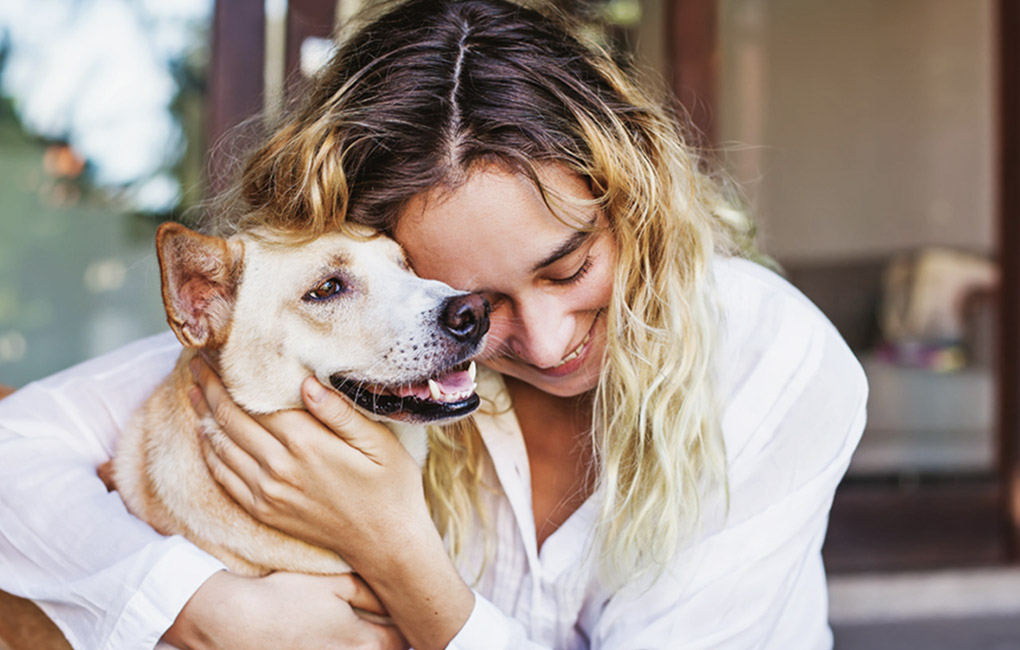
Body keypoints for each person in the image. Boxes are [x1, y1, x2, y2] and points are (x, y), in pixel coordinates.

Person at [0, 0, 868, 648]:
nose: (547, 339)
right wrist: (204, 610)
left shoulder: (769, 355)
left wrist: (395, 546)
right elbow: (14, 447)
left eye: (568, 268)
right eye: (470, 306)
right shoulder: (377, 333)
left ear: (633, 200)